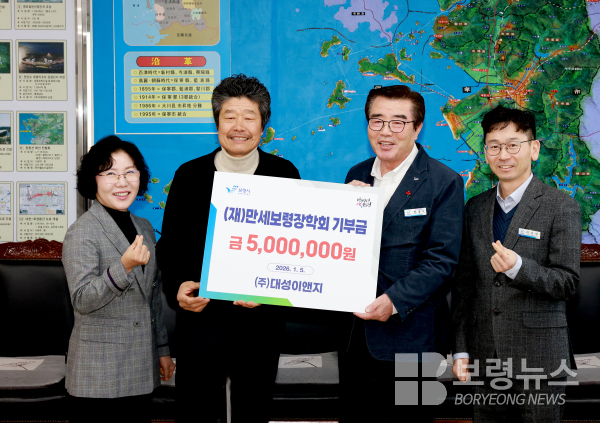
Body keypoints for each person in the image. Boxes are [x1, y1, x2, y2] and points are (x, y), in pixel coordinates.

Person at [156, 74, 301, 423]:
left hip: (260, 322)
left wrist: (270, 292)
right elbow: (170, 245)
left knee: (254, 412)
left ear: (263, 125)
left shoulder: (284, 174)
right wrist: (177, 288)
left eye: (249, 117)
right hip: (202, 318)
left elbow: (295, 251)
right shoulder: (189, 175)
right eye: (229, 116)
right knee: (197, 413)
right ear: (217, 122)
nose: (239, 126)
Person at [341, 84, 464, 421]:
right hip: (356, 338)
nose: (385, 131)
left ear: (417, 127)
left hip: (415, 340)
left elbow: (442, 261)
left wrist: (393, 301)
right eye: (376, 121)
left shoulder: (444, 182)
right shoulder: (356, 175)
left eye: (398, 122)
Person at [452, 105, 580, 422]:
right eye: (494, 146)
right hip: (485, 358)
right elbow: (465, 286)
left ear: (533, 149)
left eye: (513, 145)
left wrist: (518, 268)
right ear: (485, 152)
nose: (503, 155)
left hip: (540, 358)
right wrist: (461, 349)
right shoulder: (475, 208)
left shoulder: (561, 206)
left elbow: (567, 283)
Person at [62, 135, 175, 423]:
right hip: (97, 373)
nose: (122, 182)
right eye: (110, 173)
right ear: (93, 179)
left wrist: (162, 350)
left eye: (129, 172)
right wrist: (123, 267)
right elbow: (82, 300)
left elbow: (152, 295)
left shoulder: (144, 227)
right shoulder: (82, 231)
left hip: (141, 366)